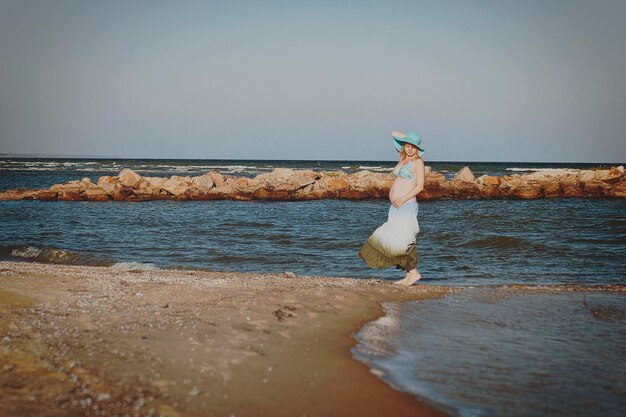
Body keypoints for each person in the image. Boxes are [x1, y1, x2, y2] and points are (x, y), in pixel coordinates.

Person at [358, 130, 425, 286]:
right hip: (396, 206)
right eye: (407, 146)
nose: (410, 149)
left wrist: (402, 199)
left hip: (406, 204)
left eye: (413, 146)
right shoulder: (402, 158)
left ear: (417, 148)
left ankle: (414, 273)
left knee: (404, 238)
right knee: (396, 237)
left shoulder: (418, 162)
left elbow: (420, 187)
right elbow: (393, 133)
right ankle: (409, 275)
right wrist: (405, 140)